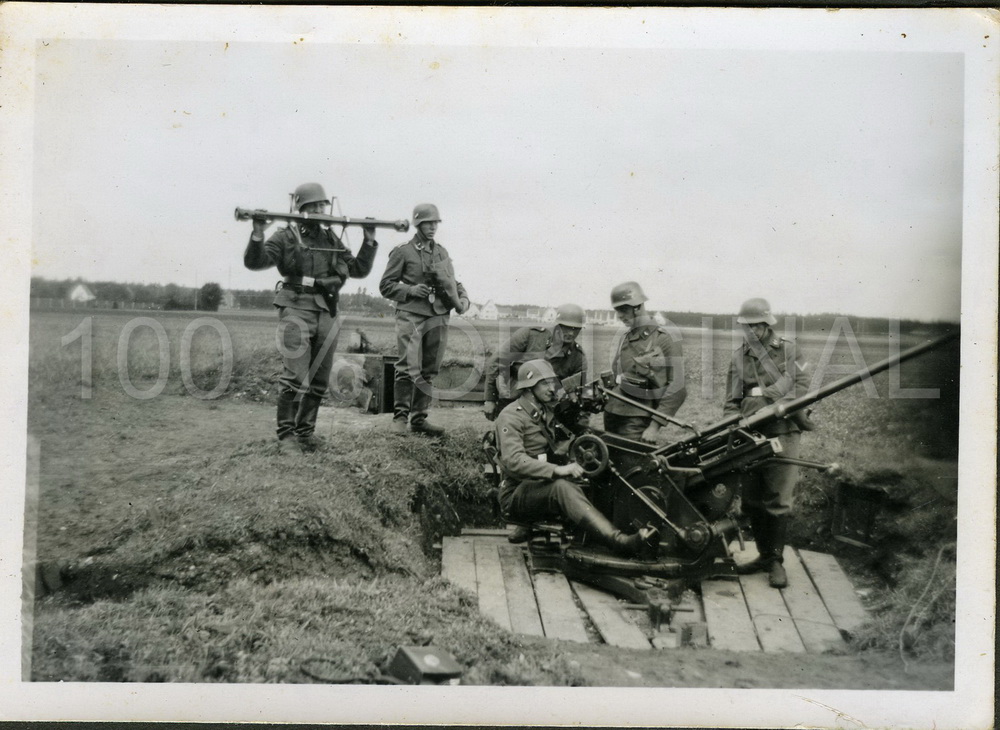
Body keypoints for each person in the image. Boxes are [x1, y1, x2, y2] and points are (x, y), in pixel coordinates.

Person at [244, 182, 378, 454]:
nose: (319, 210)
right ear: (301, 208)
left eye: (322, 205)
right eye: (313, 206)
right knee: (295, 376)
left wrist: (369, 240)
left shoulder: (330, 238)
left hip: (326, 309)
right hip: (296, 307)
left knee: (319, 378)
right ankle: (286, 436)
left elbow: (357, 269)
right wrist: (258, 233)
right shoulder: (286, 236)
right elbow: (255, 262)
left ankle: (305, 434)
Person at [495, 359, 658, 555]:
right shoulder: (511, 416)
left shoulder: (546, 410)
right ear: (529, 388)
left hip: (540, 484)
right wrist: (558, 470)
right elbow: (514, 461)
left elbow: (567, 432)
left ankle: (611, 534)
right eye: (544, 383)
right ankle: (619, 541)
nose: (552, 388)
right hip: (516, 492)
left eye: (552, 382)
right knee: (561, 488)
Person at [723, 297, 811, 589]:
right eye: (745, 327)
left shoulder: (788, 349)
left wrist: (774, 404)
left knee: (777, 498)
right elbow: (731, 401)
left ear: (766, 325)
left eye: (755, 326)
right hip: (750, 434)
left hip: (782, 430)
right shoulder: (739, 356)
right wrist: (732, 425)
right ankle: (763, 556)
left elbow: (801, 386)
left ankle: (775, 561)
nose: (750, 332)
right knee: (752, 498)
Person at [379, 203, 469, 436]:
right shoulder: (403, 251)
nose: (432, 227)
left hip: (438, 316)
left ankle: (419, 419)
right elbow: (385, 285)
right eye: (428, 223)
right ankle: (400, 418)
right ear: (418, 224)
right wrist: (410, 290)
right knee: (407, 367)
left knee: (429, 369)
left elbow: (452, 281)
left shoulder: (441, 252)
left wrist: (464, 298)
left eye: (435, 223)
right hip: (411, 314)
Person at [604, 281, 687, 443]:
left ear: (637, 307)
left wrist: (654, 426)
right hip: (612, 414)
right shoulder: (625, 338)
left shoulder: (664, 339)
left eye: (623, 310)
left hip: (637, 420)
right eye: (617, 310)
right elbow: (616, 376)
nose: (619, 316)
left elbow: (678, 388)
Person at [482, 303, 587, 421]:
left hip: (547, 408)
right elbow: (496, 362)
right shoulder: (530, 335)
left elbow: (580, 391)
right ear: (557, 325)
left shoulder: (578, 356)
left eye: (576, 329)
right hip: (514, 398)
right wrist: (490, 399)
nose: (571, 333)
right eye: (566, 327)